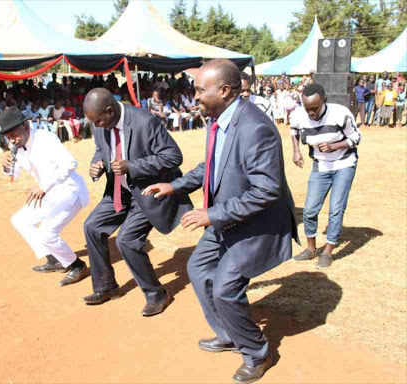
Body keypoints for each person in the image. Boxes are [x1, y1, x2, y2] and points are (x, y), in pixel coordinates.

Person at [143, 59, 298, 383]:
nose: (194, 95)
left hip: (255, 225)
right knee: (198, 269)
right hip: (226, 219)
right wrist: (175, 185)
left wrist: (211, 214)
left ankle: (257, 352)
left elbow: (266, 191)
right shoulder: (219, 119)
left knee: (226, 288)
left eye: (201, 89)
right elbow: (211, 166)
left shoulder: (256, 128)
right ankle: (229, 333)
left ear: (225, 90)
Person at [81, 88, 193, 316]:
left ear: (110, 111)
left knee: (127, 240)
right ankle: (106, 287)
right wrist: (97, 165)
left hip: (147, 192)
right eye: (94, 122)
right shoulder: (99, 121)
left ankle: (156, 294)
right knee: (91, 227)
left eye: (100, 121)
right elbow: (101, 149)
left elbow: (173, 156)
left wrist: (132, 166)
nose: (98, 126)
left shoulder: (145, 121)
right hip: (119, 191)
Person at [0, 106, 90, 286]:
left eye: (14, 134)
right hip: (49, 195)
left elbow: (70, 163)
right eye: (8, 137)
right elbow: (13, 175)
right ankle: (55, 260)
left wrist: (44, 186)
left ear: (25, 127)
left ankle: (77, 265)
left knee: (47, 233)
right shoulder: (16, 145)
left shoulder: (45, 139)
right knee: (20, 220)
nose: (12, 140)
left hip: (69, 192)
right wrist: (5, 166)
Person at [290, 83, 360, 268]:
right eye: (308, 109)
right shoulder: (298, 115)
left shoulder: (340, 113)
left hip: (344, 164)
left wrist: (334, 146)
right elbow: (294, 130)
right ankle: (311, 249)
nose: (311, 113)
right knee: (310, 210)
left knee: (336, 209)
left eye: (315, 108)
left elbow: (356, 138)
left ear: (324, 101)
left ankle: (328, 251)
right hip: (320, 166)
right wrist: (296, 151)